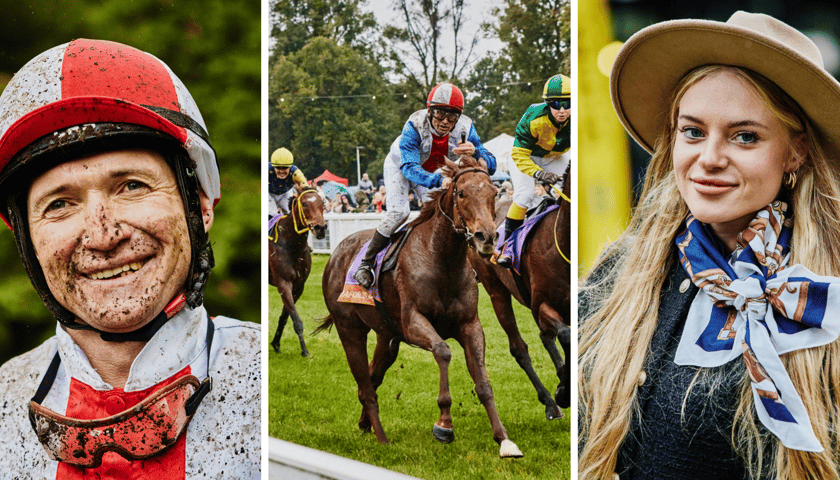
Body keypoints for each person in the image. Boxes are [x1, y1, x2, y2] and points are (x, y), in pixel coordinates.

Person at [579, 12, 840, 480]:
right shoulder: (618, 271)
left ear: (795, 152)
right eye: (693, 132)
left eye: (744, 136)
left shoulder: (828, 296)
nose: (710, 158)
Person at [0, 39, 259, 477]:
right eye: (59, 204)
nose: (102, 236)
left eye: (132, 186)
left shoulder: (263, 384)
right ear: (27, 239)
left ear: (199, 204)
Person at [352, 82, 496, 288]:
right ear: (430, 111)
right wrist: (437, 180)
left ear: (459, 116)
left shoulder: (466, 127)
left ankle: (462, 260)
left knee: (443, 211)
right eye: (439, 114)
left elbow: (491, 165)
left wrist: (476, 151)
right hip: (400, 167)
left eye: (452, 117)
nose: (445, 122)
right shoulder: (414, 125)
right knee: (399, 212)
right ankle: (366, 263)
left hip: (430, 171)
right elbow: (409, 168)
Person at [496, 74, 571, 267]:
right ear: (547, 104)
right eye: (555, 104)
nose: (562, 111)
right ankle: (508, 247)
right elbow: (519, 155)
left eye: (567, 104)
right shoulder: (532, 116)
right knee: (524, 195)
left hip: (555, 156)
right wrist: (539, 174)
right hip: (526, 157)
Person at [268, 146, 308, 215]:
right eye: (278, 168)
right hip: (269, 193)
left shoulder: (296, 172)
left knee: (291, 212)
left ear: (290, 166)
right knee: (272, 213)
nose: (281, 171)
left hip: (285, 193)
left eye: (285, 168)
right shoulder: (266, 169)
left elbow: (305, 187)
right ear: (273, 166)